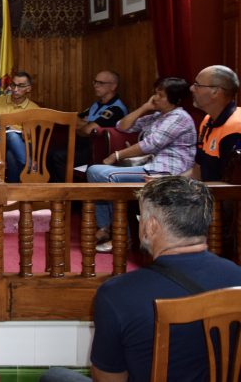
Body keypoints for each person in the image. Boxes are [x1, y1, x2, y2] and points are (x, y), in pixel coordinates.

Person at [40, 177, 241, 382]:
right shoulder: (237, 278)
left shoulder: (117, 295)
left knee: (53, 376)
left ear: (151, 226)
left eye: (140, 217)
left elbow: (108, 380)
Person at [87, 78, 196, 253]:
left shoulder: (179, 118)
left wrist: (116, 156)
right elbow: (122, 126)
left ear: (174, 99)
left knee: (103, 175)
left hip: (167, 171)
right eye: (155, 93)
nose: (155, 98)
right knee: (94, 172)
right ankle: (105, 228)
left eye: (160, 95)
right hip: (151, 167)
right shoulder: (158, 116)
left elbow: (150, 145)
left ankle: (122, 238)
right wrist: (145, 107)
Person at [48, 70, 128, 182]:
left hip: (98, 150)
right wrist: (84, 124)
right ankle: (50, 192)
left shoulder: (116, 109)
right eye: (95, 82)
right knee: (49, 152)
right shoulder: (96, 104)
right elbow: (73, 122)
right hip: (82, 144)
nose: (96, 86)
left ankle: (63, 194)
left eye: (100, 83)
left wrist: (83, 125)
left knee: (59, 155)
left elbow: (86, 130)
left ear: (113, 86)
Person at [0, 71, 40, 182]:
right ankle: (30, 165)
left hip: (24, 145)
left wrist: (9, 127)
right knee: (9, 137)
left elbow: (29, 135)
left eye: (20, 86)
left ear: (29, 88)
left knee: (11, 154)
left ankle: (11, 191)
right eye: (13, 85)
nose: (15, 89)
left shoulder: (34, 108)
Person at [189, 65, 241, 181]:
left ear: (215, 92)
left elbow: (233, 187)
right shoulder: (207, 120)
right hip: (210, 194)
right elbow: (198, 170)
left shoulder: (236, 127)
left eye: (197, 85)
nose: (191, 88)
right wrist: (165, 181)